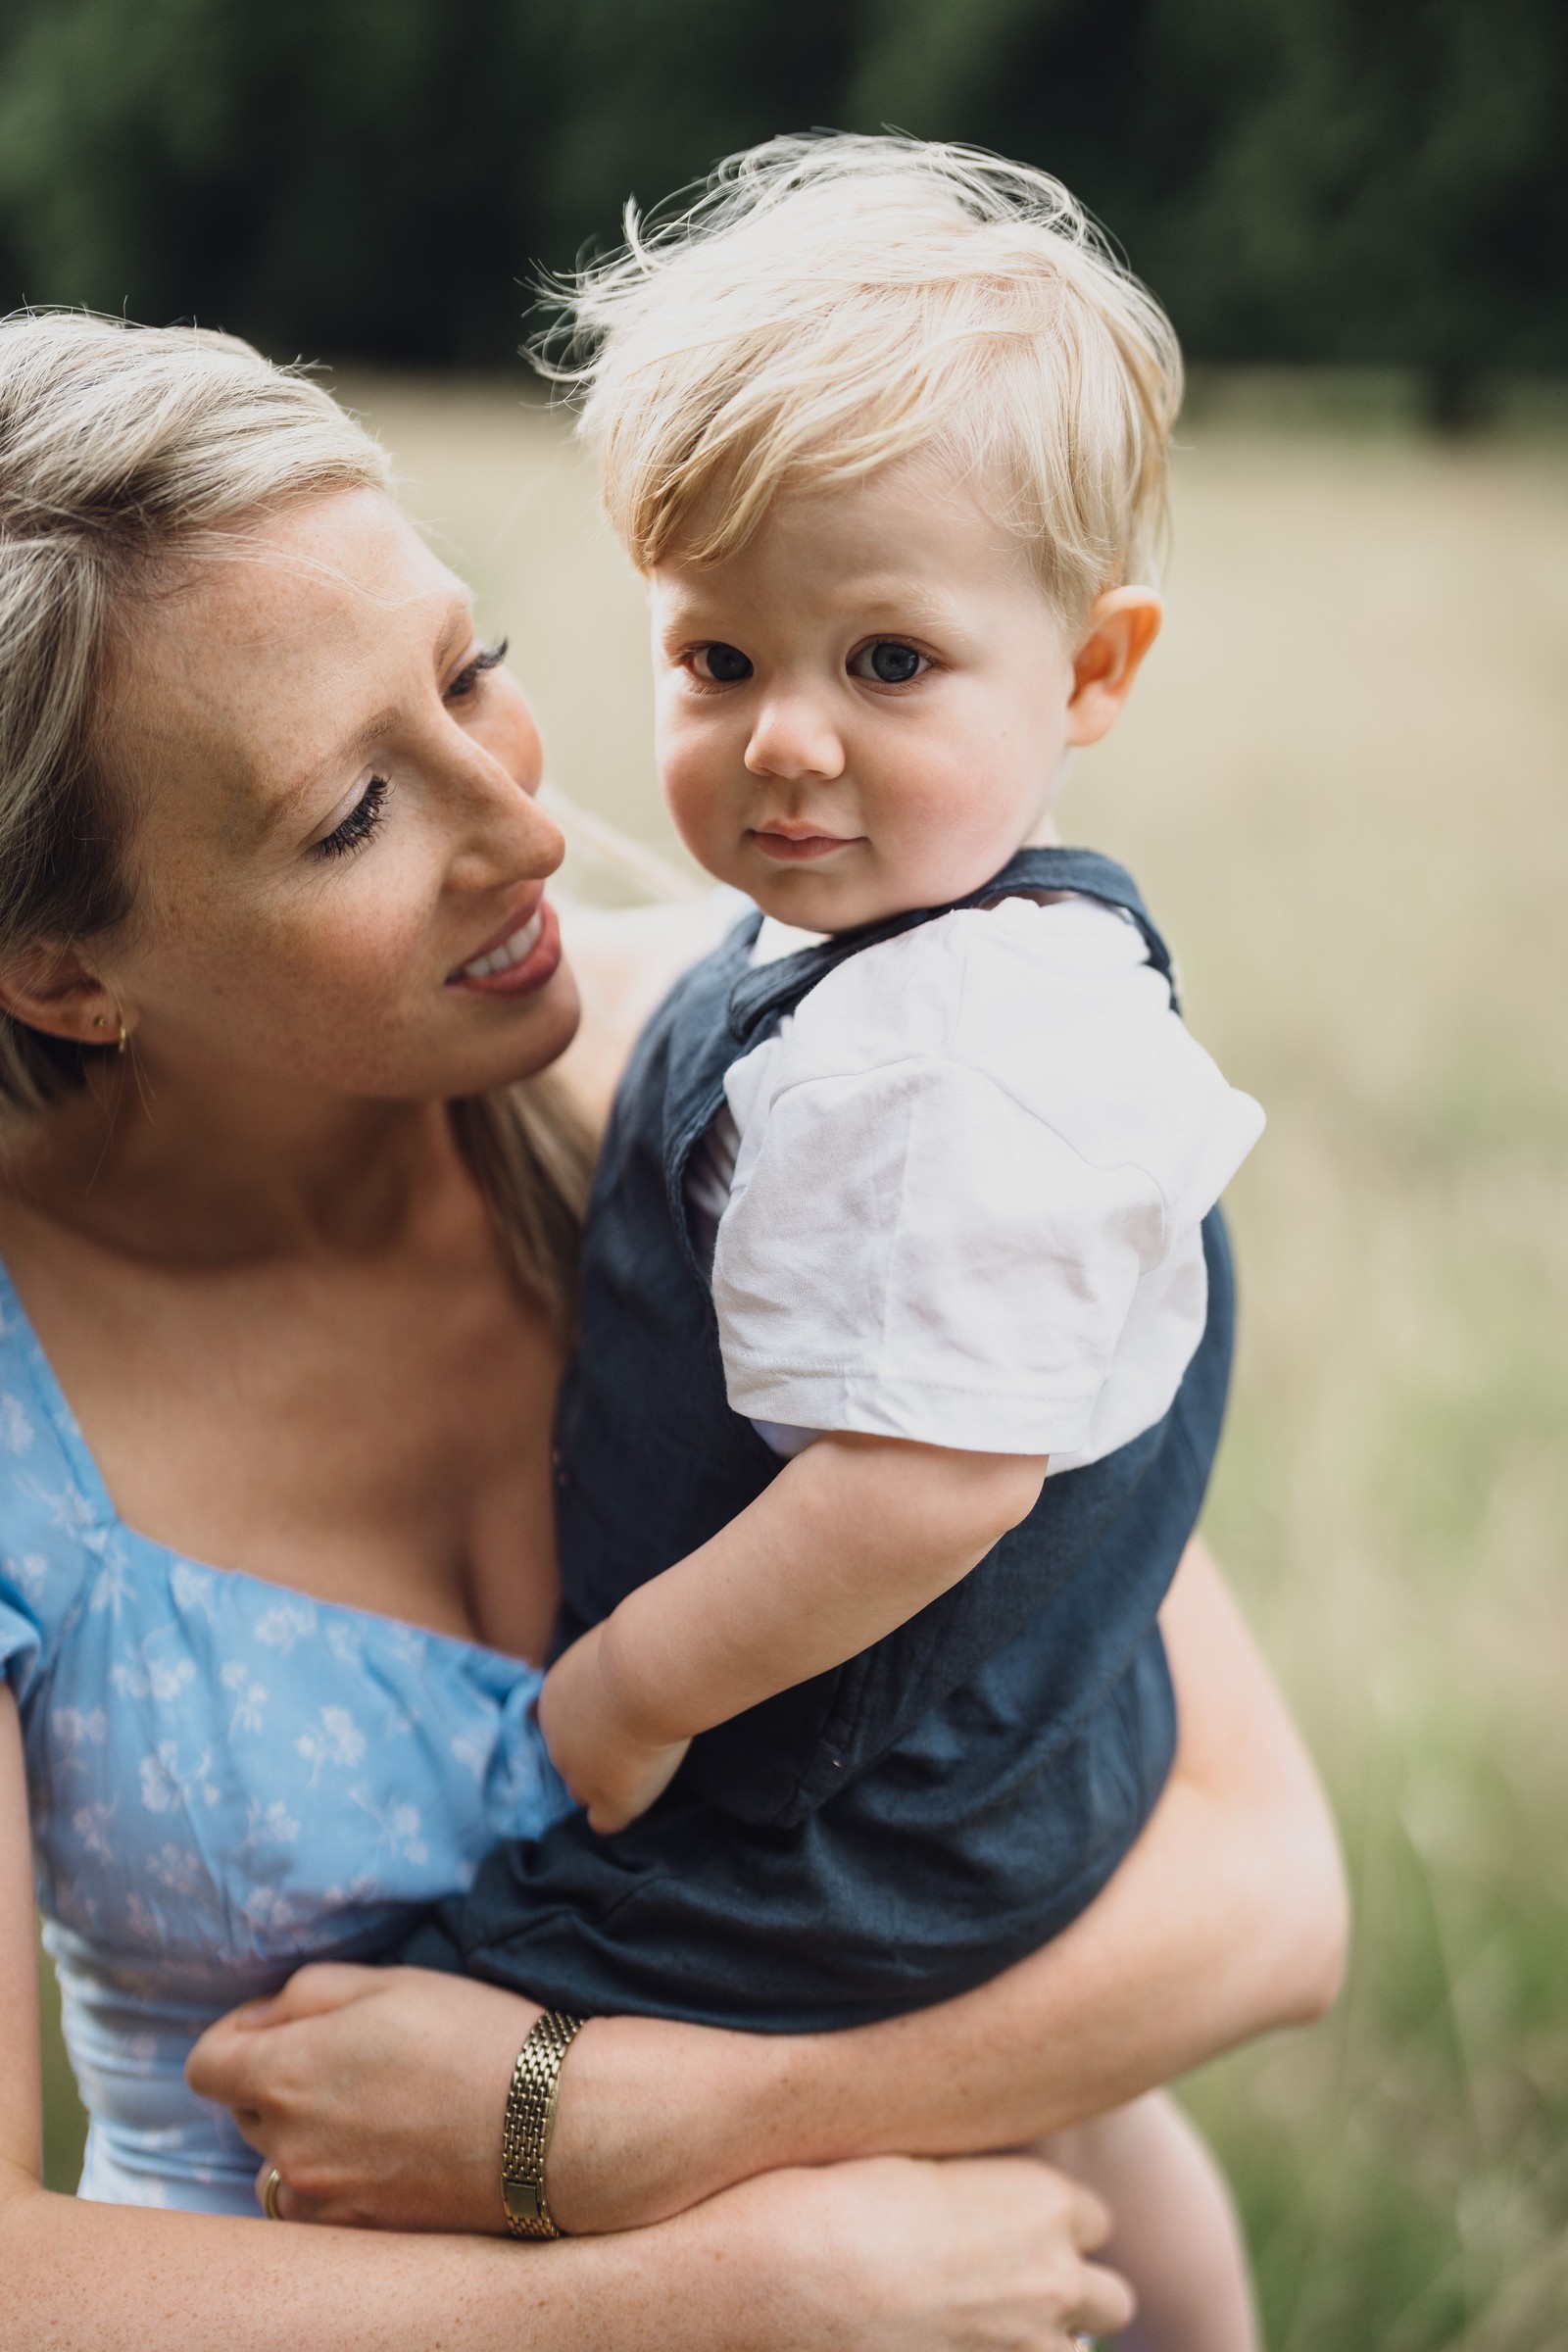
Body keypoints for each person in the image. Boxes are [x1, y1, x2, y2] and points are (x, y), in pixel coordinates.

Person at [0, 309, 1343, 2352]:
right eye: (351, 813)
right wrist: (706, 2290)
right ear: (65, 972)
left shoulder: (820, 1093)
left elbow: (1259, 1898)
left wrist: (649, 2129)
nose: (525, 825)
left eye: (474, 673)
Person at [376, 137, 1278, 2348]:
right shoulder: (905, 944)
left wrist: (629, 1689)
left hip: (833, 1819)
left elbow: (919, 1485)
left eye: (884, 657)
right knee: (1069, 2118)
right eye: (713, 653)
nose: (784, 741)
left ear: (1090, 671)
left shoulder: (945, 1063)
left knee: (432, 2033)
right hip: (1011, 1767)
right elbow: (684, 974)